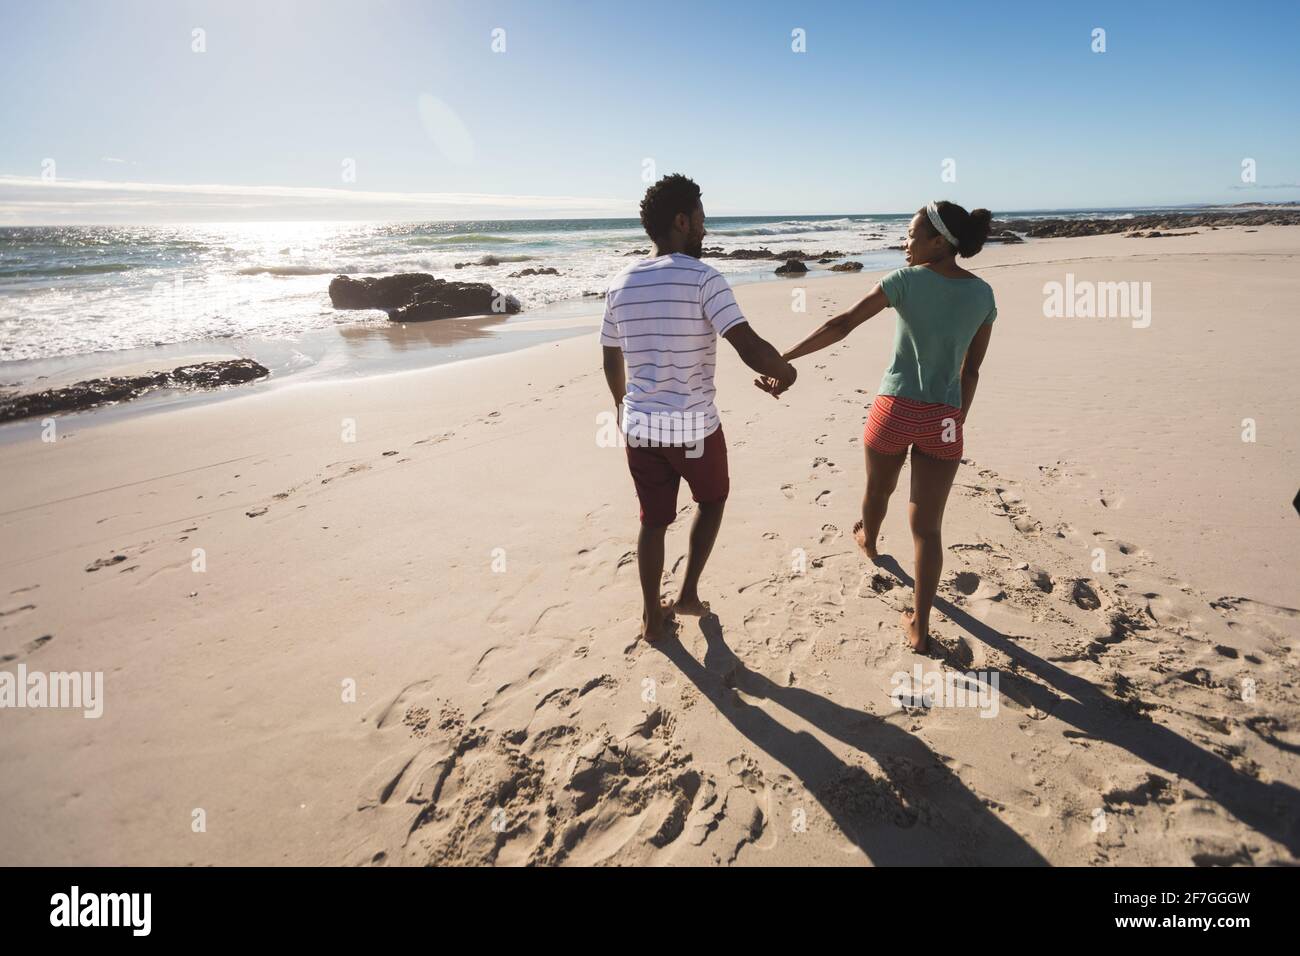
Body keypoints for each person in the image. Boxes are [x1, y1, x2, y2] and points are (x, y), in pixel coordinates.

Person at [759, 200, 996, 652]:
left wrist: (782, 360)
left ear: (938, 241)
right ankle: (921, 629)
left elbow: (841, 324)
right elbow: (972, 370)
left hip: (894, 409)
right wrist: (953, 419)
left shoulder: (904, 281)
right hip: (944, 417)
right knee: (927, 529)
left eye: (910, 233)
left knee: (877, 491)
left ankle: (868, 540)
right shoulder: (983, 295)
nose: (904, 242)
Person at [602, 174, 797, 642]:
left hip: (640, 428)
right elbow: (745, 343)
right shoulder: (705, 278)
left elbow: (610, 354)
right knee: (711, 501)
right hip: (693, 427)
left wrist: (620, 406)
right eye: (702, 220)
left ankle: (652, 616)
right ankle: (687, 593)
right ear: (682, 221)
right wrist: (785, 371)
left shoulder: (620, 281)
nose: (706, 230)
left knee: (652, 522)